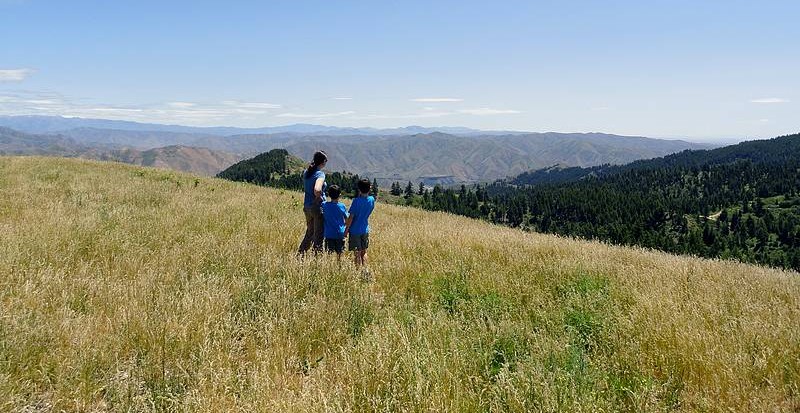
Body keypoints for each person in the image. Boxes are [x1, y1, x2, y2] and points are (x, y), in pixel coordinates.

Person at [297, 151, 327, 256]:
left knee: (309, 233)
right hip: (316, 208)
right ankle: (317, 259)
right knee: (318, 236)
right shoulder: (320, 174)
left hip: (307, 207)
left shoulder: (307, 172)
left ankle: (300, 255)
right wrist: (319, 198)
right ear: (323, 162)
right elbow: (317, 190)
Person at [344, 179, 375, 273]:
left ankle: (358, 272)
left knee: (357, 254)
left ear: (359, 189)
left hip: (354, 231)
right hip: (365, 229)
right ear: (370, 188)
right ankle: (365, 271)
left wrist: (346, 230)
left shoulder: (356, 201)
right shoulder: (371, 199)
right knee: (364, 252)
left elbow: (351, 218)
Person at [322, 185, 348, 259]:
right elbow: (347, 220)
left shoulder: (324, 205)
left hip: (329, 234)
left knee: (329, 253)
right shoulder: (342, 206)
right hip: (340, 233)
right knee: (340, 253)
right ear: (339, 195)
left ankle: (329, 266)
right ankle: (339, 265)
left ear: (329, 194)